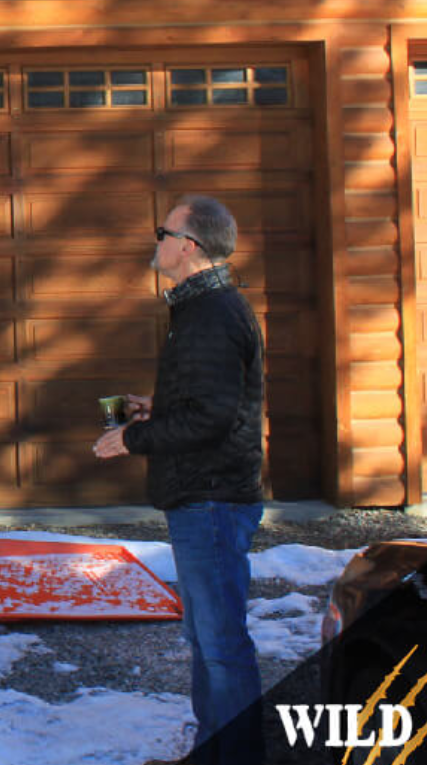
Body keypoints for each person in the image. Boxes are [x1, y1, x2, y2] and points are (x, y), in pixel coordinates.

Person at [94, 195, 266, 765]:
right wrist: (156, 407)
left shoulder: (214, 313)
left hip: (212, 498)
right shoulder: (202, 308)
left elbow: (213, 418)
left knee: (221, 645)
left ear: (188, 246)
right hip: (201, 495)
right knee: (205, 641)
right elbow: (208, 401)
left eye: (162, 231)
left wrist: (133, 438)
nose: (156, 241)